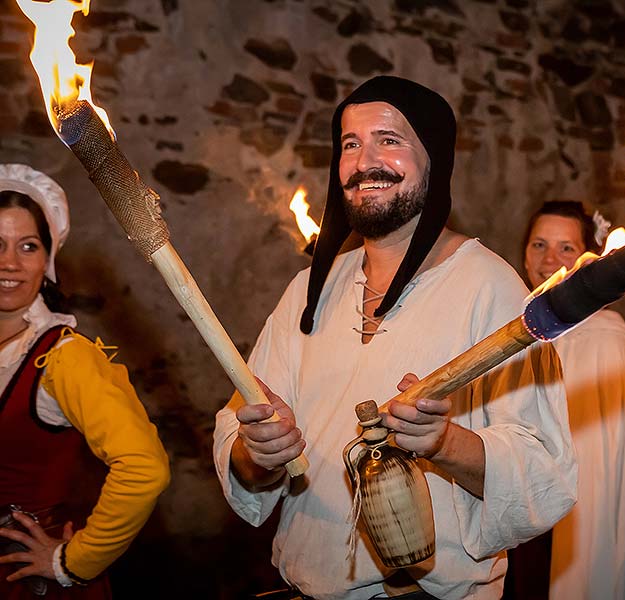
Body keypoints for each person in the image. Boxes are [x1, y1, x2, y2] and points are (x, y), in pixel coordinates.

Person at [212, 76, 576, 600]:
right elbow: (240, 424)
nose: (364, 162)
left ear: (434, 160)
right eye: (351, 144)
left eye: (390, 140)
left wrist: (445, 444)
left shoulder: (493, 291)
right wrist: (257, 451)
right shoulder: (307, 291)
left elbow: (544, 472)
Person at [0, 164, 170, 598]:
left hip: (23, 582)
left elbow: (144, 468)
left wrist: (72, 561)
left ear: (48, 260)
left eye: (28, 246)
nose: (10, 263)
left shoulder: (64, 357)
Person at [504, 201, 625, 600]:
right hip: (512, 509)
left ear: (588, 255)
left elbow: (601, 459)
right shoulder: (510, 325)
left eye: (566, 248)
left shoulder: (606, 337)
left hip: (575, 519)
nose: (549, 259)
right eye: (539, 245)